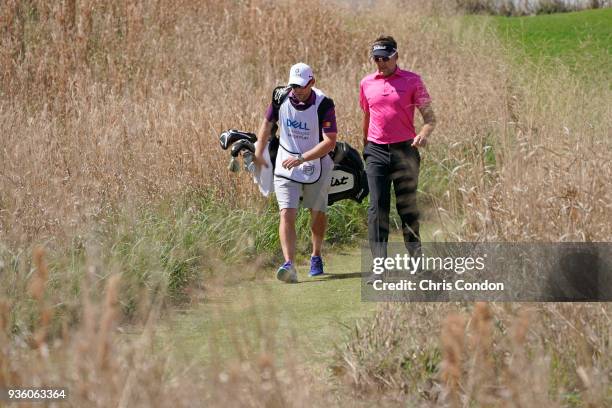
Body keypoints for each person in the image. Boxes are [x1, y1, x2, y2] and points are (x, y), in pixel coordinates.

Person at [359, 35, 436, 281]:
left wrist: (423, 135)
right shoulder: (366, 83)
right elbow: (367, 117)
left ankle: (417, 263)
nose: (380, 63)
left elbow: (430, 118)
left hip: (405, 150)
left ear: (396, 57)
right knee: (376, 208)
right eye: (376, 59)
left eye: (385, 58)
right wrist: (366, 147)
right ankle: (379, 268)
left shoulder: (413, 81)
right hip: (376, 151)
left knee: (407, 207)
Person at [254, 62, 337, 283]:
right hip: (284, 162)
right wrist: (259, 152)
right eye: (294, 86)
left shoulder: (324, 104)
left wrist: (302, 158)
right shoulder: (280, 96)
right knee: (286, 213)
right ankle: (289, 264)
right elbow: (267, 124)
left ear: (312, 82)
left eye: (301, 86)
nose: (297, 90)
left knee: (317, 212)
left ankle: (316, 255)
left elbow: (330, 142)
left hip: (315, 164)